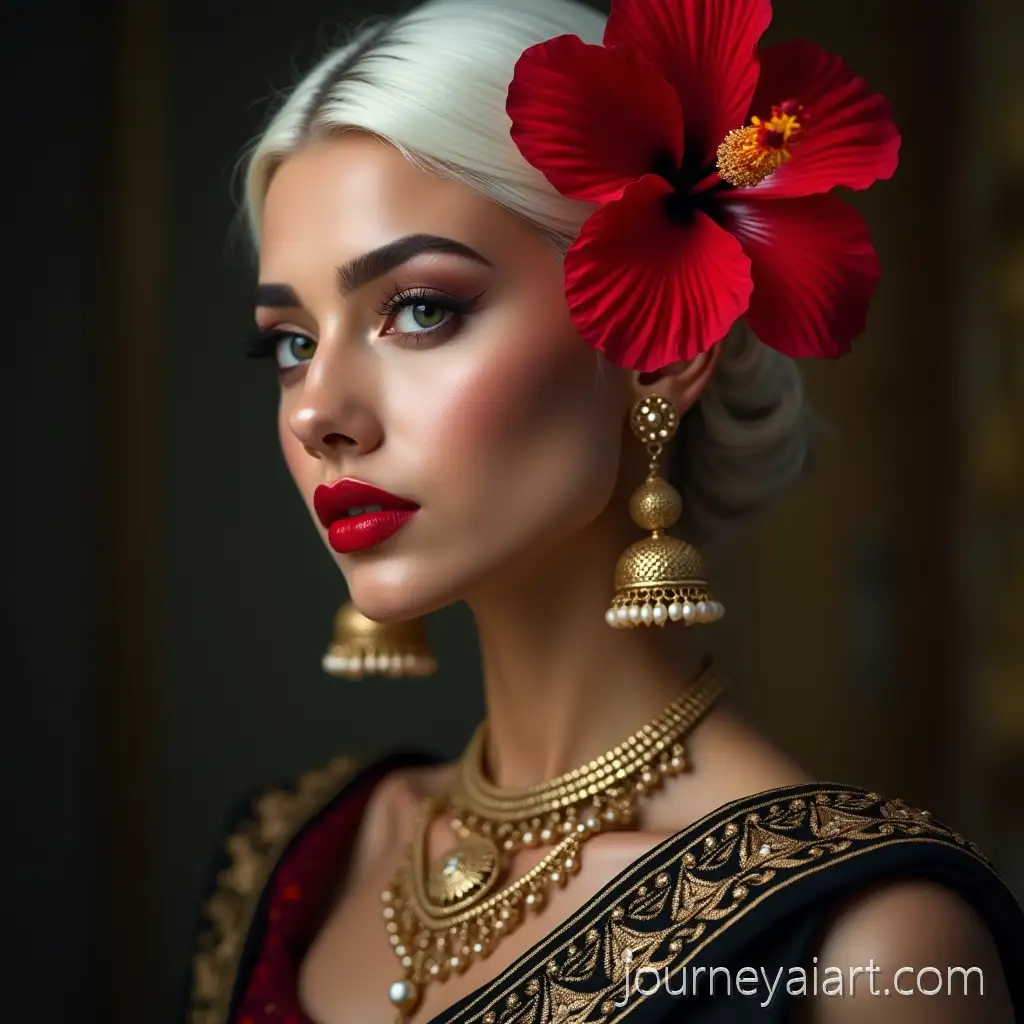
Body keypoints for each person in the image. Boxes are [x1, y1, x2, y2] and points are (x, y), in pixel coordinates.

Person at [184, 0, 1024, 1021]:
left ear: (660, 347)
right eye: (292, 343)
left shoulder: (868, 947)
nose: (317, 411)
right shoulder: (296, 857)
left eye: (420, 309)